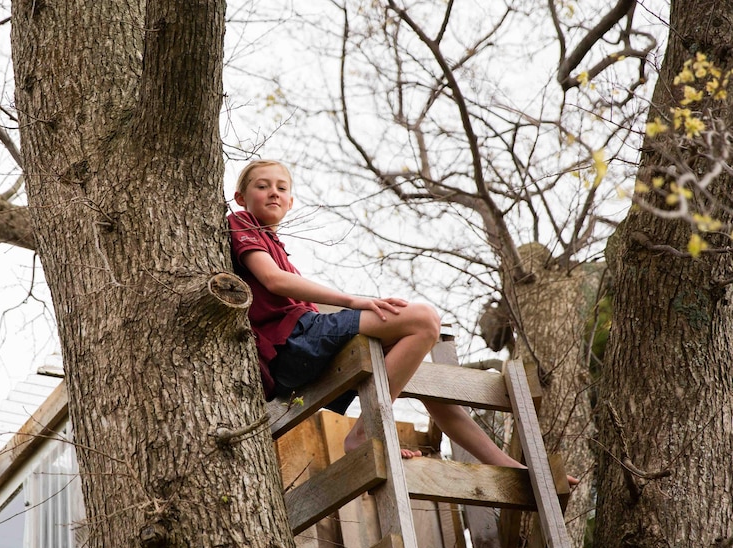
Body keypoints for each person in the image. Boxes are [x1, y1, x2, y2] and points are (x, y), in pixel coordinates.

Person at [227, 159, 566, 475]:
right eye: (263, 186)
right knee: (422, 319)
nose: (274, 192)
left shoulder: (275, 243)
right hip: (292, 344)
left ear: (291, 201)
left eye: (282, 187)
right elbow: (273, 280)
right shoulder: (241, 223)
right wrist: (353, 301)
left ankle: (511, 466)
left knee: (426, 382)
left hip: (305, 350)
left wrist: (521, 472)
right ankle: (365, 433)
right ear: (241, 197)